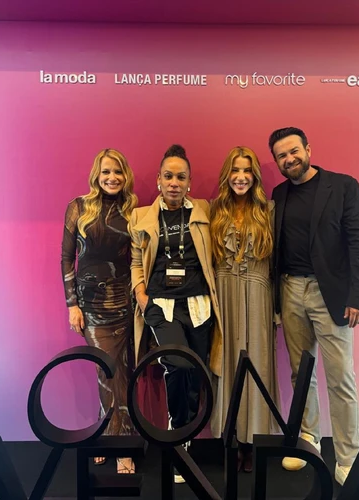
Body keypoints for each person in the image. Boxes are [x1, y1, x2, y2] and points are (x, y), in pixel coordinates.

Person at [269, 127, 359, 486]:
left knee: (340, 377)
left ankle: (348, 457)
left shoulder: (343, 186)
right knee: (301, 374)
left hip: (331, 295)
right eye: (281, 156)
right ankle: (309, 439)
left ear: (308, 149)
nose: (289, 159)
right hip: (290, 290)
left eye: (293, 151)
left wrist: (358, 297)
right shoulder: (279, 194)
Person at [129, 144, 223, 483]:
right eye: (168, 176)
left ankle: (187, 436)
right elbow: (136, 261)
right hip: (161, 306)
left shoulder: (203, 211)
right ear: (158, 179)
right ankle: (177, 431)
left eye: (180, 177)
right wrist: (142, 296)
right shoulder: (141, 216)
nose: (174, 182)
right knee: (178, 364)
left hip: (198, 305)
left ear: (189, 182)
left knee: (196, 371)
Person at [61, 148, 138, 474]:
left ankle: (118, 441)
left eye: (117, 172)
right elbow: (67, 258)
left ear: (125, 176)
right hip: (91, 307)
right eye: (106, 171)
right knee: (106, 374)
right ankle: (113, 439)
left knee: (123, 375)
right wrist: (72, 304)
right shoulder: (78, 207)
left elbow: (137, 258)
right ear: (97, 174)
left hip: (124, 304)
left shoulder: (133, 209)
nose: (112, 177)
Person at [210, 146, 279, 473]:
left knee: (257, 364)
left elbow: (278, 261)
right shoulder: (213, 210)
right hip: (223, 293)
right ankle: (230, 439)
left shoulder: (269, 210)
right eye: (235, 170)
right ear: (227, 175)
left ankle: (252, 442)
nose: (240, 177)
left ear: (255, 176)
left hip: (257, 292)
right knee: (226, 364)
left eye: (247, 170)